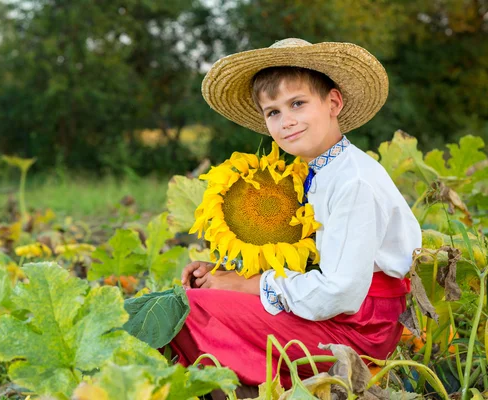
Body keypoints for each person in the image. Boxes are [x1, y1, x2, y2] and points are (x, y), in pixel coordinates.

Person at [171, 38, 422, 396]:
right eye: (273, 112)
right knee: (193, 299)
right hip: (333, 312)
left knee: (189, 310)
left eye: (297, 104)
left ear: (333, 102)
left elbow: (341, 292)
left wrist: (248, 286)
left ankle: (242, 388)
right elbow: (304, 262)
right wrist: (229, 275)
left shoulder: (354, 181)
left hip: (358, 329)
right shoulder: (307, 174)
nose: (286, 121)